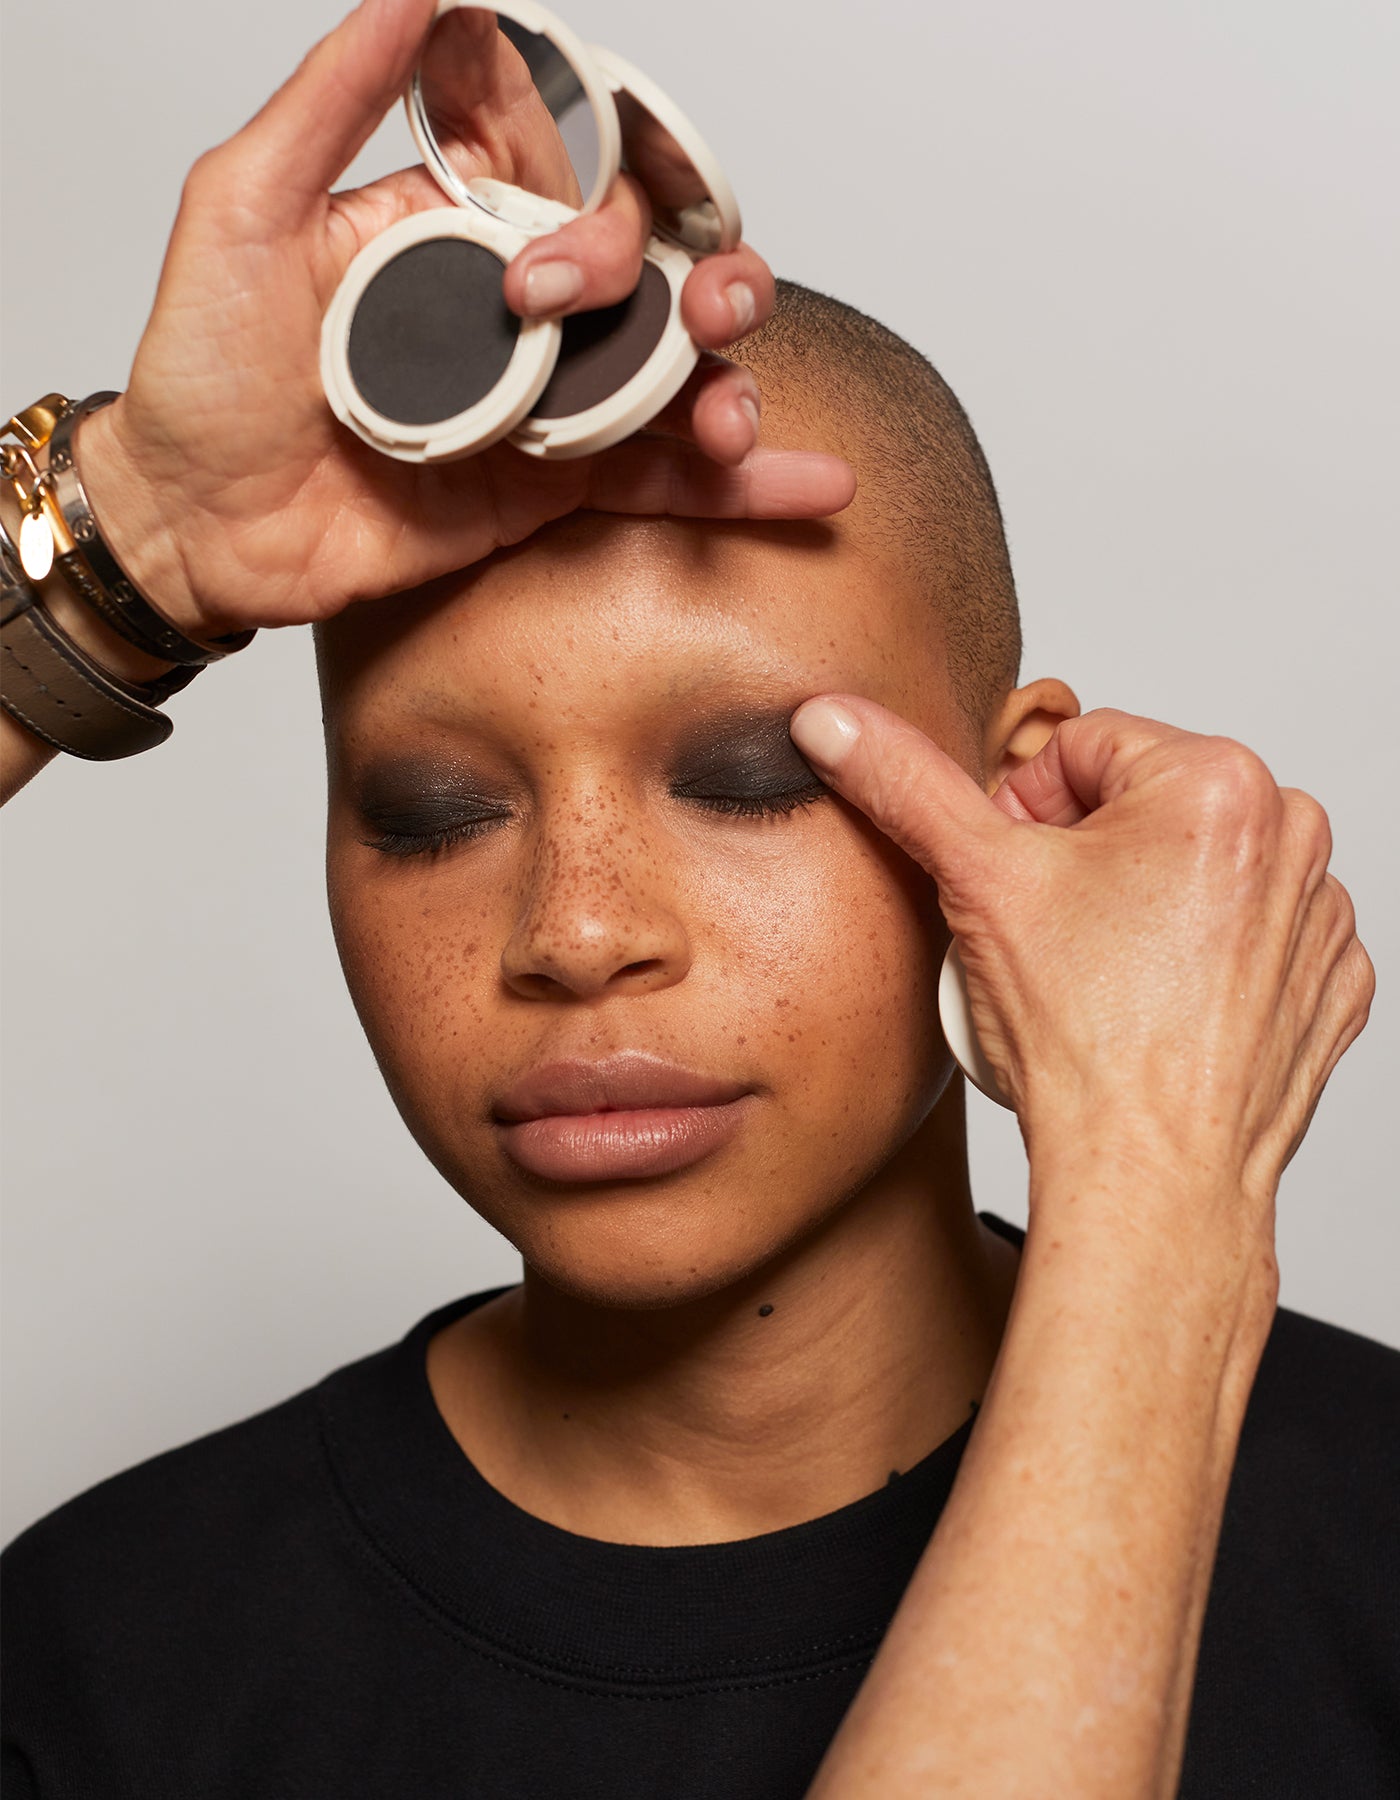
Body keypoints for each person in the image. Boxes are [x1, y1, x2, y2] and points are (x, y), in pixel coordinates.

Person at [2, 1, 1394, 1796]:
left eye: (752, 780)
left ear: (1023, 798)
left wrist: (1157, 1198)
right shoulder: (101, 1672)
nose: (577, 934)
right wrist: (138, 541)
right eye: (431, 815)